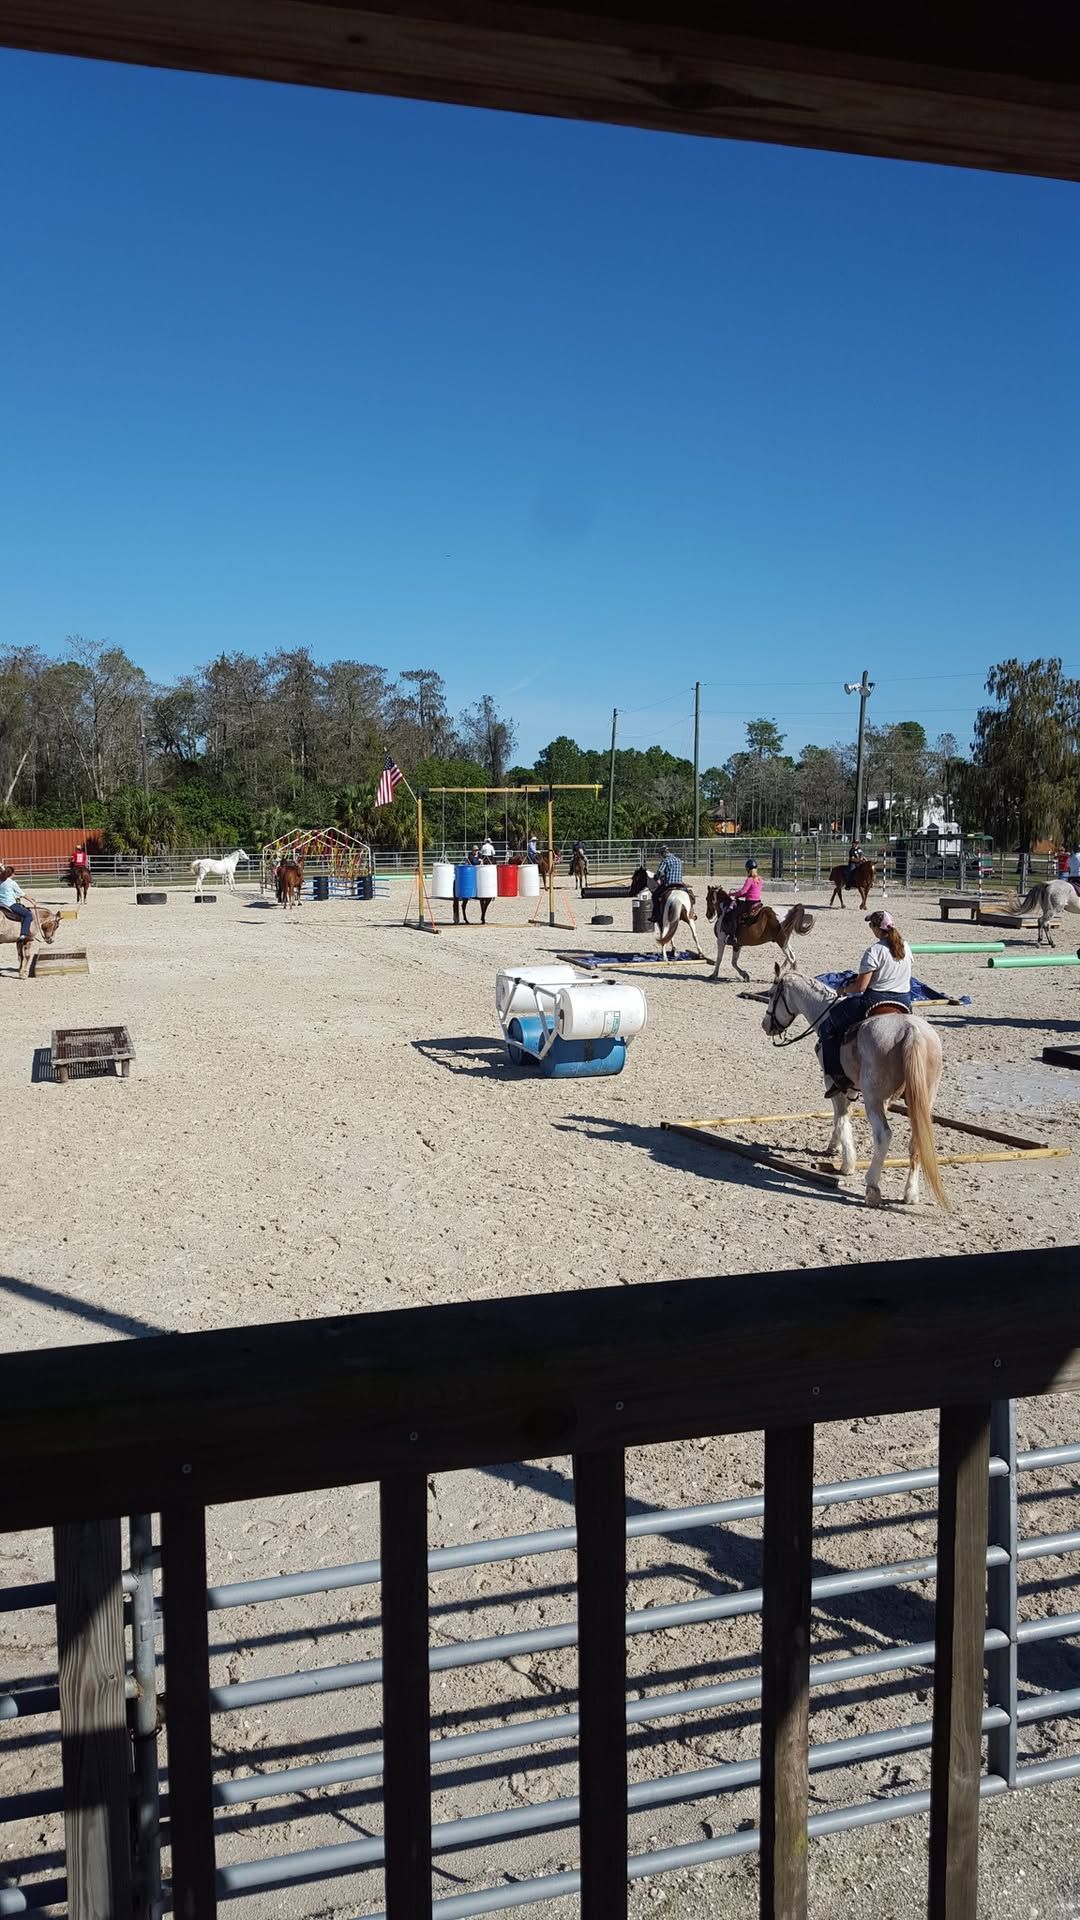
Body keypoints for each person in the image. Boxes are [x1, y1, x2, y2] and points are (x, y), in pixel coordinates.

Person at [819, 909, 913, 1092]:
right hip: (904, 1001)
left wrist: (843, 989)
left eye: (871, 926)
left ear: (878, 929)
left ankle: (837, 1076)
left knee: (828, 1025)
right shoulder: (906, 947)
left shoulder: (874, 951)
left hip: (876, 1000)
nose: (870, 929)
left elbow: (861, 987)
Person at [725, 857, 763, 936]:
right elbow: (750, 892)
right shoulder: (760, 879)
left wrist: (731, 894)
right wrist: (740, 895)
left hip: (749, 903)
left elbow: (743, 891)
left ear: (748, 869)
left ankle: (733, 936)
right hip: (758, 902)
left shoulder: (749, 879)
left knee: (733, 915)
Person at [0, 865, 36, 945]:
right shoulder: (12, 883)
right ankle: (24, 934)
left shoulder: (0, 881)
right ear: (12, 874)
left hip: (1, 904)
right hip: (9, 904)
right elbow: (22, 894)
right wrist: (31, 901)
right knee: (28, 915)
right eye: (14, 873)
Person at [651, 845, 684, 927]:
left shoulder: (665, 861)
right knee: (690, 895)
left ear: (663, 853)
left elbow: (659, 872)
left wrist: (656, 878)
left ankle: (656, 915)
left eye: (661, 854)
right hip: (680, 884)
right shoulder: (678, 860)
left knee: (654, 896)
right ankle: (692, 913)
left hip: (669, 884)